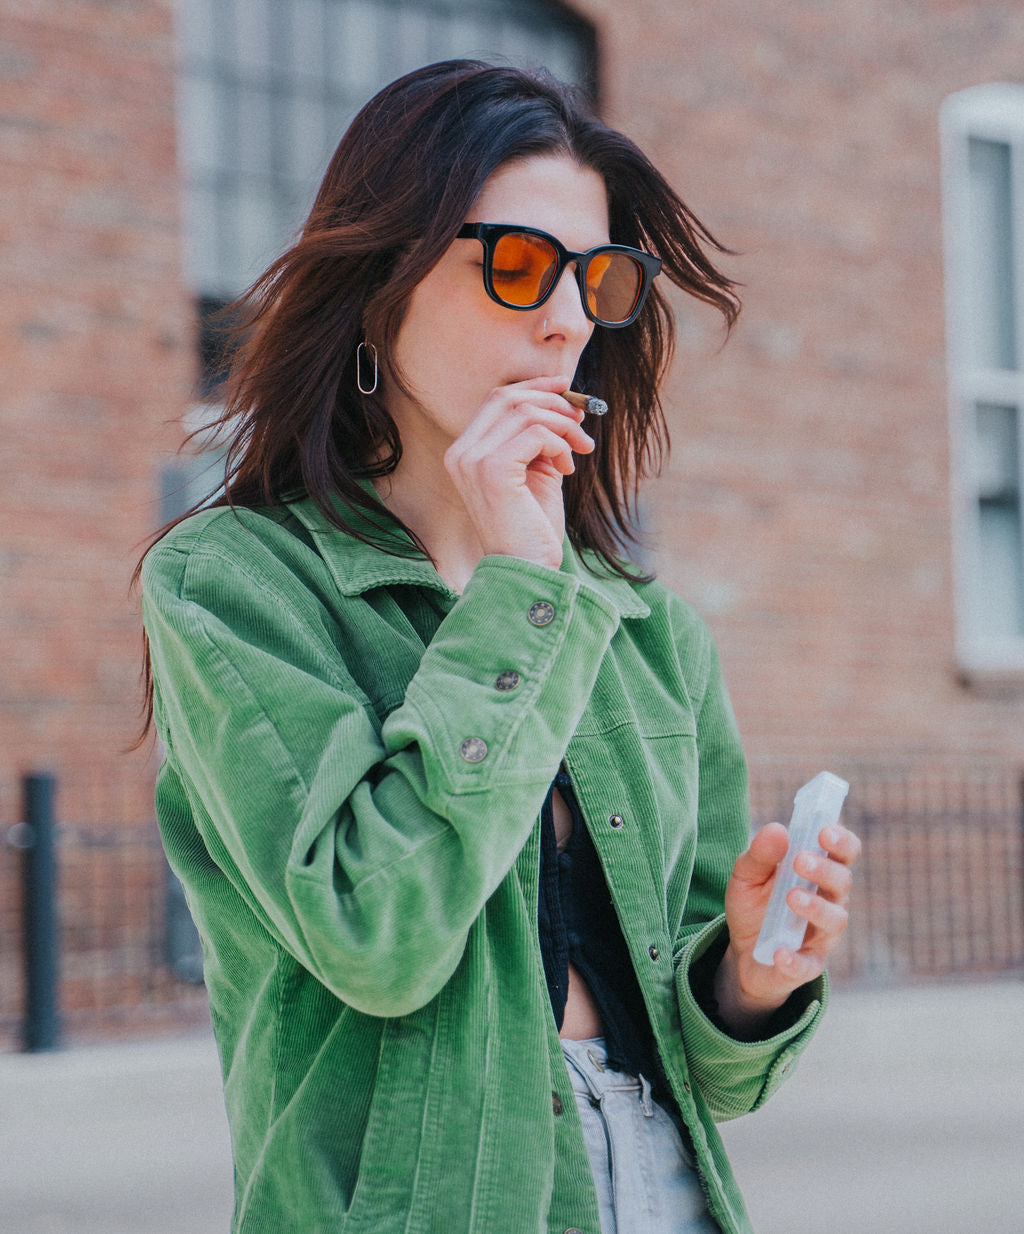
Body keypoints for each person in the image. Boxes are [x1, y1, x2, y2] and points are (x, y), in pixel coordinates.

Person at [139, 60, 860, 1234]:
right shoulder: (237, 584)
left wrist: (754, 974)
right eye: (517, 262)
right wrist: (519, 585)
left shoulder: (643, 626)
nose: (566, 314)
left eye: (600, 278)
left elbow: (711, 1075)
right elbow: (377, 933)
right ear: (382, 280)